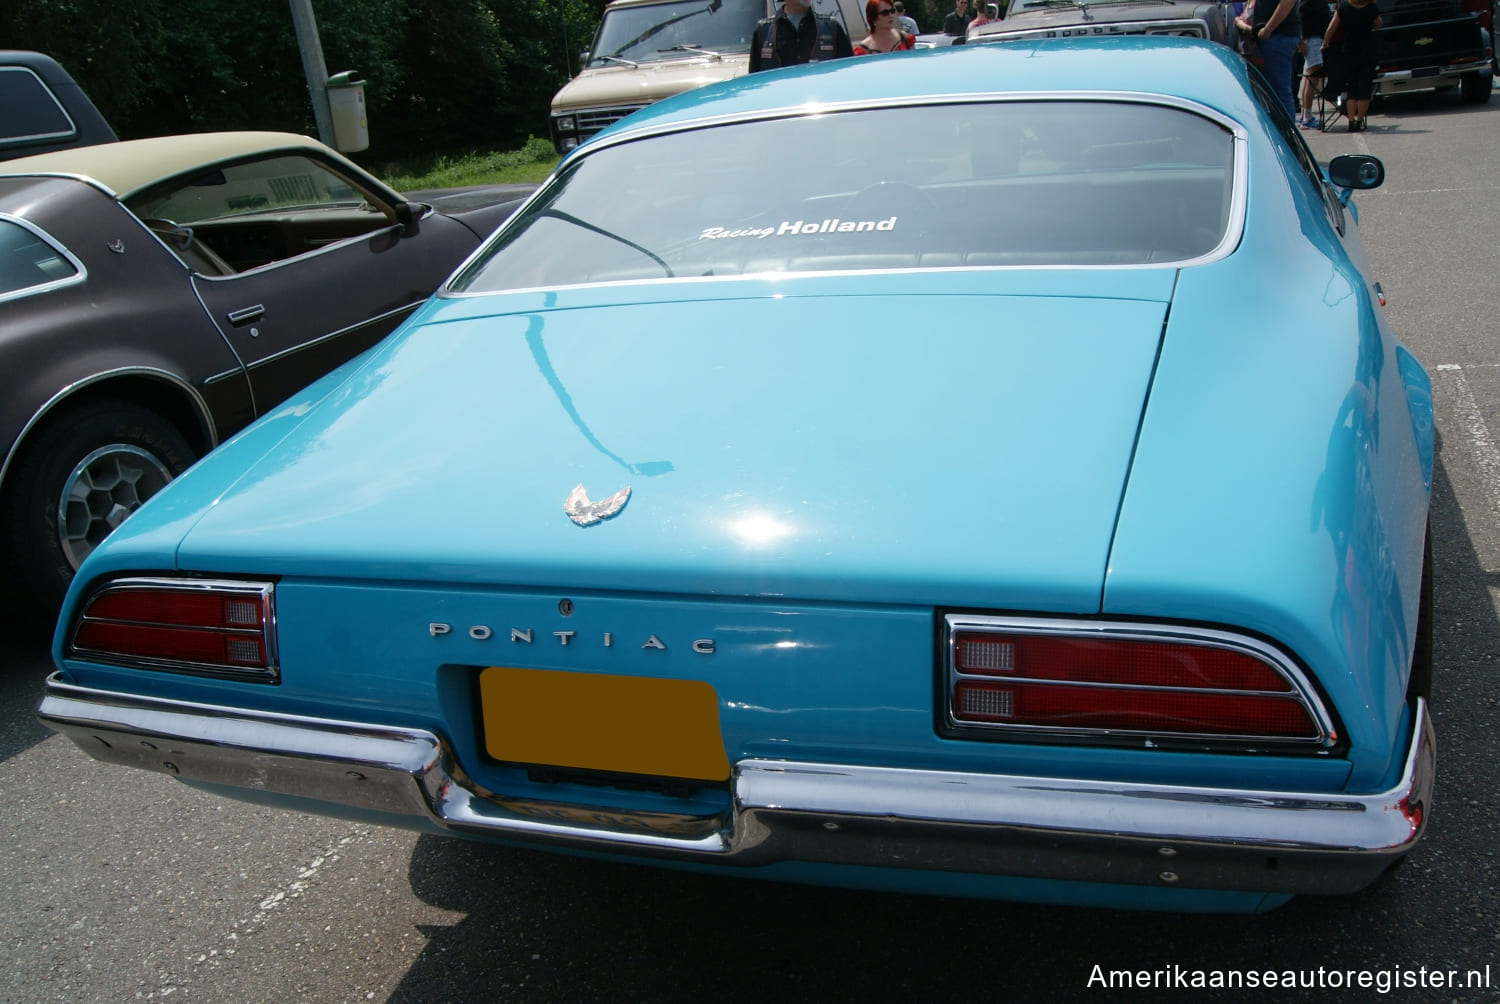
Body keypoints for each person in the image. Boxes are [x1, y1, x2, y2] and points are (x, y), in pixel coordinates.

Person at [750, 0, 855, 71]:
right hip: (780, 101)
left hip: (820, 100)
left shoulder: (831, 27)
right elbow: (754, 80)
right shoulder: (763, 30)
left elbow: (848, 73)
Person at [1239, 0, 1301, 119]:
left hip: (1277, 36)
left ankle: (1285, 135)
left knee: (1279, 93)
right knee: (1273, 92)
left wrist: (1268, 29)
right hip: (1273, 36)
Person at [1325, 0, 1381, 130]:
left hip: (1349, 50)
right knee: (1365, 89)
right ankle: (1359, 121)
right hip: (1367, 50)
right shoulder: (1371, 7)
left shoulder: (1344, 7)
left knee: (1351, 89)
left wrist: (1325, 43)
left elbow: (1332, 27)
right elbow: (1378, 24)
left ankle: (1350, 121)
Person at [1298, 0, 1333, 128]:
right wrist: (1300, 41)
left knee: (1309, 77)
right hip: (1312, 40)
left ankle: (1304, 116)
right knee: (1313, 77)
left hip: (1314, 39)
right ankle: (1307, 117)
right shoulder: (1307, 2)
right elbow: (1297, 15)